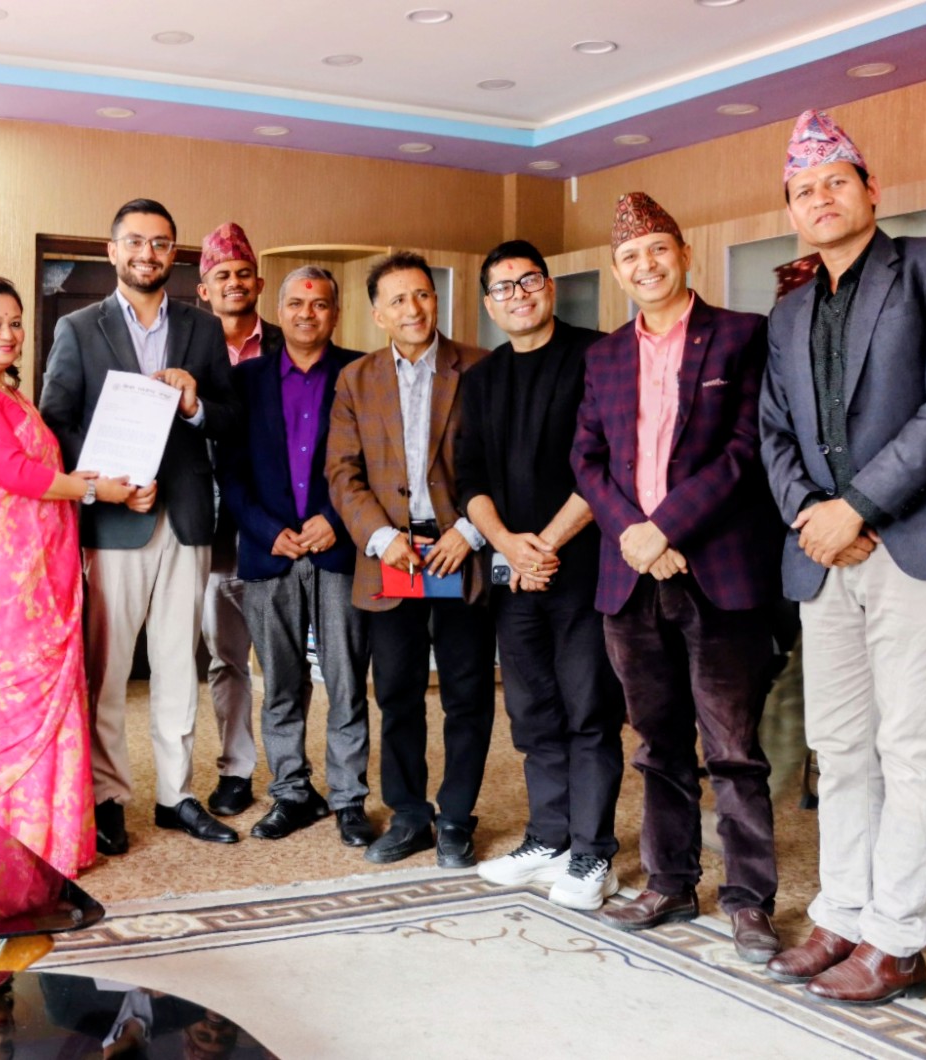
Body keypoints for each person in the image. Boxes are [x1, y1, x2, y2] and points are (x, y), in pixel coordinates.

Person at [759, 110, 926, 1004]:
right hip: (825, 557)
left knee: (913, 744)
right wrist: (811, 515)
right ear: (791, 212)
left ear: (870, 191)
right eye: (803, 190)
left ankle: (896, 939)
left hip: (918, 545)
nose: (820, 199)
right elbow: (773, 432)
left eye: (835, 182)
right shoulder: (787, 311)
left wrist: (857, 506)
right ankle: (844, 914)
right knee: (839, 745)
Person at [572, 192, 782, 963]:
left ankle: (748, 900)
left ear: (683, 254)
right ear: (617, 271)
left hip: (716, 570)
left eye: (657, 249)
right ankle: (669, 881)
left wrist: (666, 527)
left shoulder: (740, 335)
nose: (646, 265)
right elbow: (586, 460)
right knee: (656, 743)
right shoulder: (602, 357)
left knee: (732, 748)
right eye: (630, 256)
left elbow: (744, 449)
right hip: (629, 577)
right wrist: (635, 534)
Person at [39, 198, 239, 853]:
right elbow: (54, 422)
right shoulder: (77, 327)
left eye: (159, 243)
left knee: (180, 663)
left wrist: (196, 405)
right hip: (113, 520)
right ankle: (106, 798)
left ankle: (177, 796)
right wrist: (107, 481)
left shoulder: (202, 328)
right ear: (112, 250)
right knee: (108, 670)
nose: (146, 254)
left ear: (172, 254)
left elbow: (230, 419)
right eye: (134, 241)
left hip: (185, 518)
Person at [0, 275, 135, 878]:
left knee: (49, 691)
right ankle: (8, 841)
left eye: (16, 323)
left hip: (41, 568)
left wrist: (89, 480)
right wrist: (96, 491)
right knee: (6, 699)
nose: (8, 334)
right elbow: (13, 472)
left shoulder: (11, 392)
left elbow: (39, 467)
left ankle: (54, 838)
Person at [458, 240, 625, 910]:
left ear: (549, 287)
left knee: (589, 711)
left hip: (583, 567)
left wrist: (547, 545)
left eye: (528, 281)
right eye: (503, 287)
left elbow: (608, 461)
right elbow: (469, 479)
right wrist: (508, 545)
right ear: (489, 303)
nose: (518, 295)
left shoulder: (598, 355)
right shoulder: (482, 378)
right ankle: (549, 837)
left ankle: (592, 853)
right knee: (532, 713)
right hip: (514, 573)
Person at [325, 251, 495, 868]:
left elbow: (498, 463)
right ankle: (409, 814)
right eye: (398, 299)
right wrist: (379, 536)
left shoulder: (480, 366)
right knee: (396, 692)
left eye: (422, 294)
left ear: (436, 300)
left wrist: (470, 532)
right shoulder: (356, 379)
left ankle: (455, 817)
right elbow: (342, 473)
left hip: (458, 552)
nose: (413, 308)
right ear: (378, 314)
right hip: (392, 558)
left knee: (467, 694)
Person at [218, 265, 371, 846]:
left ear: (336, 313)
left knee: (346, 679)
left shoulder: (360, 373)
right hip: (270, 552)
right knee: (280, 683)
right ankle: (292, 793)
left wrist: (336, 519)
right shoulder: (244, 380)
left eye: (321, 304)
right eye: (297, 304)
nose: (308, 314)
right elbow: (230, 473)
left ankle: (349, 798)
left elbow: (374, 463)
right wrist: (266, 531)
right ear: (279, 311)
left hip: (339, 548)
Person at [194, 221, 280, 819]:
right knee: (226, 656)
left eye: (244, 274)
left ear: (259, 284)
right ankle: (236, 769)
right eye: (222, 275)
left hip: (274, 527)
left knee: (283, 662)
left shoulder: (287, 344)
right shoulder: (186, 347)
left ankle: (292, 773)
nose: (234, 283)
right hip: (209, 528)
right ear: (204, 289)